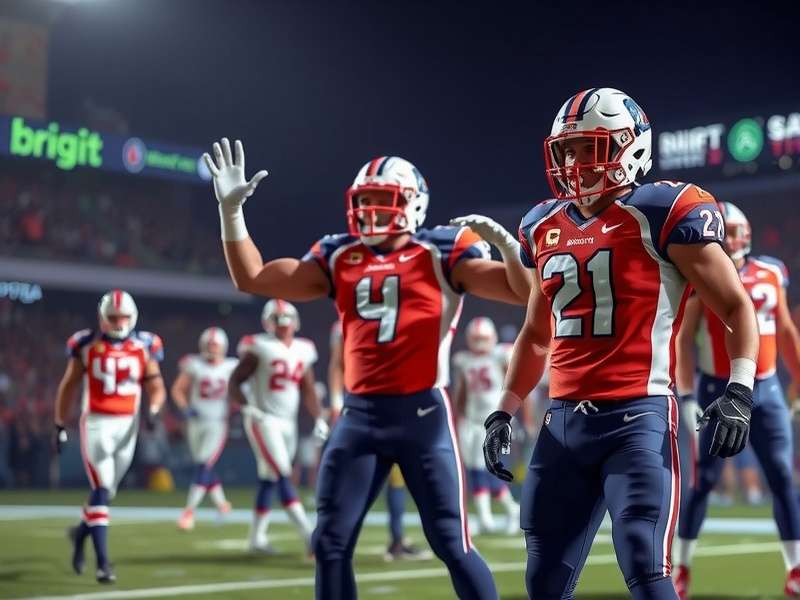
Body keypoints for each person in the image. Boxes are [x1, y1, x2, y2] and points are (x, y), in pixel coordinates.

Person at [203, 139, 531, 599]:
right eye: (364, 201)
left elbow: (523, 294)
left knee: (452, 544)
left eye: (383, 200)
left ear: (413, 203)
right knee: (330, 543)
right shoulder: (339, 254)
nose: (371, 211)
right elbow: (252, 278)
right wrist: (231, 213)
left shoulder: (442, 250)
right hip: (359, 416)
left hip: (423, 415)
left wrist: (510, 251)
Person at [481, 87, 760, 600]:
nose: (574, 162)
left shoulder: (665, 210)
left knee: (644, 563)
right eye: (566, 150)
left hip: (638, 415)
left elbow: (737, 306)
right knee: (544, 578)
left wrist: (741, 389)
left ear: (629, 147)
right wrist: (504, 409)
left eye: (588, 147)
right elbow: (536, 334)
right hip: (561, 422)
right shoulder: (543, 223)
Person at [673, 201, 800, 598]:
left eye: (734, 231)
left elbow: (784, 329)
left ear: (745, 233)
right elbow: (684, 338)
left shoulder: (772, 271)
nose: (730, 239)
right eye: (724, 231)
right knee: (703, 481)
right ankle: (681, 568)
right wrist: (689, 392)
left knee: (781, 477)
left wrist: (798, 379)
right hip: (717, 389)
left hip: (768, 388)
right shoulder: (701, 275)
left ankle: (795, 569)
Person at [54, 290, 165, 584]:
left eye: (122, 318)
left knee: (107, 494)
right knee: (102, 489)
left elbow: (156, 385)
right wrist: (59, 423)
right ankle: (103, 564)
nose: (117, 323)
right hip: (97, 424)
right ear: (102, 318)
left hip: (128, 426)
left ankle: (80, 535)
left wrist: (153, 409)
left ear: (133, 318)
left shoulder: (145, 345)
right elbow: (69, 385)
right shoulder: (86, 344)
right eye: (112, 317)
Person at [329, 319, 433, 561]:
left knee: (391, 478)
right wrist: (336, 402)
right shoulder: (353, 320)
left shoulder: (392, 317)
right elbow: (337, 364)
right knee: (357, 478)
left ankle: (392, 539)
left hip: (386, 404)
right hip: (368, 406)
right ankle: (334, 538)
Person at [230, 299, 326, 554]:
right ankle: (309, 536)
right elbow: (235, 381)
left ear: (295, 322)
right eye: (278, 322)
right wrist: (246, 406)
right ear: (268, 323)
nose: (284, 327)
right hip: (264, 419)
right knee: (283, 474)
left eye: (287, 322)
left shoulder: (303, 349)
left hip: (288, 422)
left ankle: (256, 539)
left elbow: (307, 388)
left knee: (269, 479)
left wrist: (318, 417)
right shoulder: (259, 347)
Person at [452, 317, 520, 534]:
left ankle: (512, 510)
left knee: (491, 469)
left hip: (494, 420)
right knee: (475, 470)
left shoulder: (500, 356)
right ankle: (485, 518)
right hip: (472, 421)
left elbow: (515, 385)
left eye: (483, 339)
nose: (480, 343)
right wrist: (456, 416)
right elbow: (461, 393)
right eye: (476, 339)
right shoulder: (464, 360)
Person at [172, 327, 238, 530]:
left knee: (202, 465)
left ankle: (188, 511)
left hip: (217, 423)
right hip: (195, 422)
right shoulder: (194, 364)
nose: (212, 348)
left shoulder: (231, 366)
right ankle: (222, 504)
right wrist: (185, 408)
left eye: (215, 345)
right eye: (209, 345)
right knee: (204, 466)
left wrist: (236, 409)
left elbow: (239, 393)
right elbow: (178, 389)